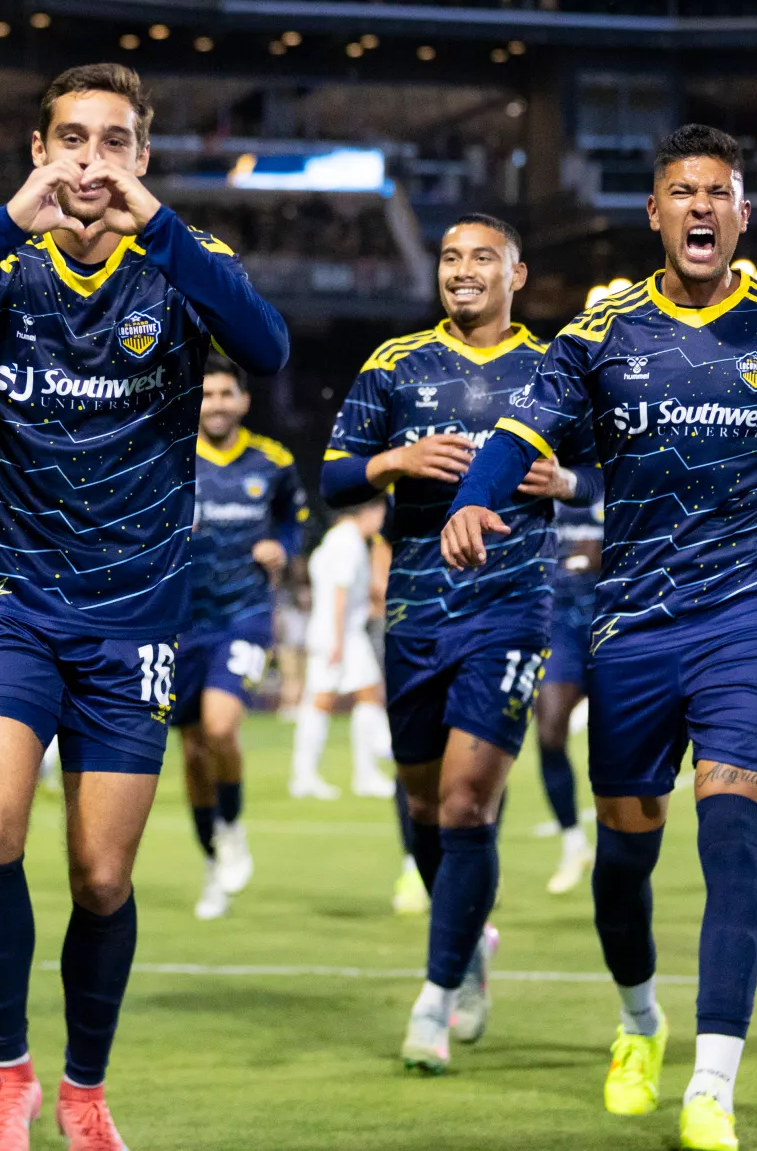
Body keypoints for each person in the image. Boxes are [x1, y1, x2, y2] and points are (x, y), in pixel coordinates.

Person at [0, 62, 288, 1151]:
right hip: (12, 598)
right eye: (69, 140)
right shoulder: (2, 267)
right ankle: (5, 1076)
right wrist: (7, 218)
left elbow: (269, 349)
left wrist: (165, 227)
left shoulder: (182, 270)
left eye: (111, 142)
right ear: (39, 150)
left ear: (140, 158)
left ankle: (84, 1090)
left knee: (101, 877)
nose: (89, 161)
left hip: (137, 617)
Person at [442, 123, 757, 1151]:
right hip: (633, 625)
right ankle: (637, 1020)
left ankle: (711, 1087)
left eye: (716, 192)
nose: (697, 207)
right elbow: (517, 435)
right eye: (679, 191)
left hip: (749, 618)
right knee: (622, 862)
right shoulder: (596, 337)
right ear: (653, 213)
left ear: (740, 215)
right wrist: (473, 499)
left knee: (730, 828)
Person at [320, 213, 600, 1076]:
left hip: (514, 610)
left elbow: (614, 472)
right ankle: (471, 934)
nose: (462, 270)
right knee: (425, 810)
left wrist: (568, 481)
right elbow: (331, 478)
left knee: (469, 801)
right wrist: (391, 462)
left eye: (482, 257)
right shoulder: (393, 363)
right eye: (450, 257)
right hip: (414, 615)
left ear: (517, 274)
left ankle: (436, 999)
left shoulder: (556, 368)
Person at [171, 353, 307, 922]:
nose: (217, 404)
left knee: (222, 728)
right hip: (180, 623)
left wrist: (284, 547)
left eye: (226, 394)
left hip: (245, 616)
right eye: (207, 395)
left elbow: (293, 521)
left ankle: (232, 827)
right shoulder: (171, 459)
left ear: (244, 401)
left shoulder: (272, 462)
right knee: (194, 750)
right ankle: (211, 860)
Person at [292, 498, 391, 803]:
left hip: (339, 632)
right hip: (340, 634)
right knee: (323, 701)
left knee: (363, 695)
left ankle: (360, 771)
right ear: (370, 510)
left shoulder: (333, 540)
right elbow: (339, 592)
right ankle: (311, 775)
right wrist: (337, 641)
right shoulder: (348, 542)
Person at [537, 498, 602, 894]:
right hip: (559, 622)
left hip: (612, 618)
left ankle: (623, 844)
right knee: (548, 733)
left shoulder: (619, 467)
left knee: (620, 745)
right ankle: (574, 843)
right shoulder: (542, 479)